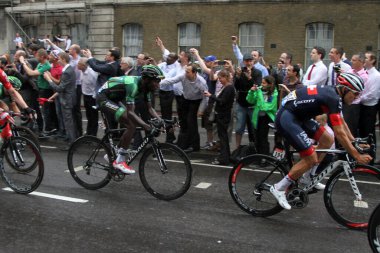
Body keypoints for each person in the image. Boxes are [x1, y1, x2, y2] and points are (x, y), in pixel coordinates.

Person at [270, 73, 372, 210]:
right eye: (355, 93)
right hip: (288, 117)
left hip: (300, 117)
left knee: (327, 139)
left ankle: (308, 177)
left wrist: (354, 141)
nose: (357, 97)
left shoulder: (335, 96)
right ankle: (279, 188)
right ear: (345, 88)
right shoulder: (333, 97)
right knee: (310, 158)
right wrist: (356, 155)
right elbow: (339, 133)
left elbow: (341, 123)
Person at [96, 65, 164, 174]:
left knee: (131, 124)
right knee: (131, 124)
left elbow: (150, 108)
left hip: (115, 98)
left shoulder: (146, 87)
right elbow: (131, 113)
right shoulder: (133, 85)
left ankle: (114, 153)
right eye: (156, 81)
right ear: (146, 79)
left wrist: (161, 120)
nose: (157, 84)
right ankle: (119, 161)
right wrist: (146, 127)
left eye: (158, 81)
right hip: (103, 98)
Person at [43, 52, 77, 150]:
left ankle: (72, 143)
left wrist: (49, 79)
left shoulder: (66, 71)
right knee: (70, 121)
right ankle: (71, 138)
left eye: (59, 59)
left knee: (68, 121)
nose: (58, 60)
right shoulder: (68, 69)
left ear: (63, 59)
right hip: (69, 98)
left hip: (67, 99)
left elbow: (60, 88)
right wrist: (53, 97)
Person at [204, 70, 235, 165]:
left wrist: (211, 96)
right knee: (223, 137)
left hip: (223, 115)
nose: (219, 80)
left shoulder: (229, 88)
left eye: (220, 78)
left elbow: (222, 101)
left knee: (223, 137)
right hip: (221, 114)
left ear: (226, 77)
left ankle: (224, 158)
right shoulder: (225, 87)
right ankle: (226, 156)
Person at [246, 75, 278, 160]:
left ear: (270, 84)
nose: (262, 84)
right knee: (256, 137)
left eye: (264, 83)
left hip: (266, 117)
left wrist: (259, 93)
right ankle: (258, 156)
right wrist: (251, 92)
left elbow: (266, 107)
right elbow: (250, 100)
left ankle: (264, 158)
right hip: (257, 117)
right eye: (262, 82)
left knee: (263, 137)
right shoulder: (259, 90)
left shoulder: (274, 92)